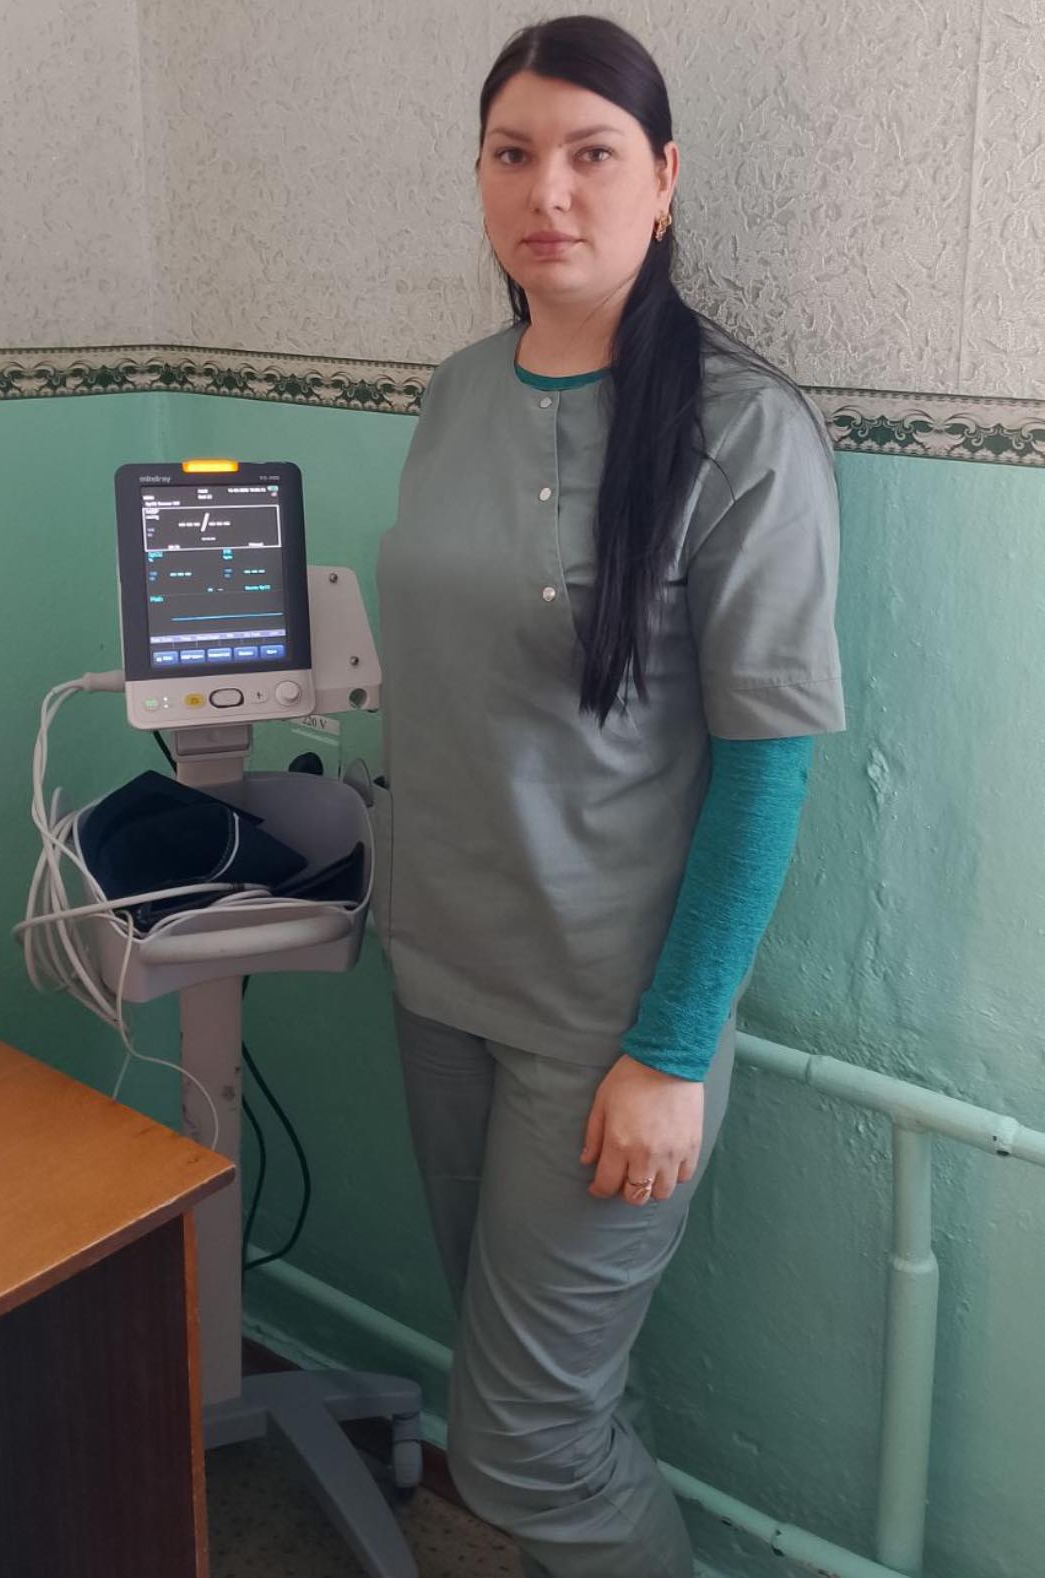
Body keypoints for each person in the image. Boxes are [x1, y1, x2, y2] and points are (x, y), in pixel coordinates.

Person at [371, 15, 845, 1578]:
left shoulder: (743, 429)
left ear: (665, 178)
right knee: (546, 1392)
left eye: (592, 154)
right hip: (442, 976)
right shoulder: (454, 394)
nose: (548, 192)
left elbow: (769, 764)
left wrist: (671, 1046)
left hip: (608, 1026)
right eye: (512, 154)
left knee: (524, 1442)